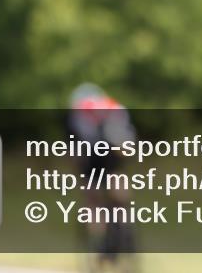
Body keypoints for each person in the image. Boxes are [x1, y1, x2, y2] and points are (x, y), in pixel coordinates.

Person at [66, 83, 137, 268]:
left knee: (93, 199)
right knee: (118, 196)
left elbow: (76, 153)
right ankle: (124, 230)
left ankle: (99, 240)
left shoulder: (78, 113)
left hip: (96, 156)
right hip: (115, 152)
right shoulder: (113, 106)